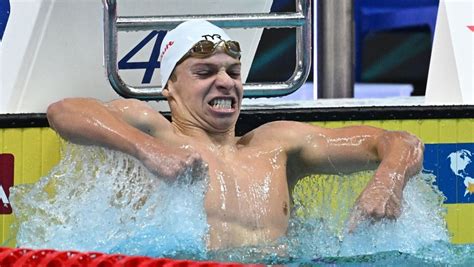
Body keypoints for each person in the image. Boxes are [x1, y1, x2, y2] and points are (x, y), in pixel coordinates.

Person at [47, 20, 424, 250]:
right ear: (170, 87)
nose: (225, 82)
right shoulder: (154, 132)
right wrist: (147, 151)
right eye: (205, 72)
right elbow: (63, 112)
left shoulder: (277, 145)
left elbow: (400, 142)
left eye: (233, 72)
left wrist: (388, 180)